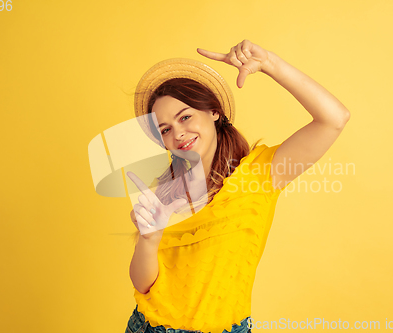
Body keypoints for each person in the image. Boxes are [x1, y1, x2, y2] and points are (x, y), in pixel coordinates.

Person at [125, 40, 350, 333]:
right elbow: (143, 284)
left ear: (214, 112)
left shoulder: (261, 174)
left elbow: (334, 119)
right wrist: (149, 239)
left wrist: (270, 64)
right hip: (147, 327)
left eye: (185, 116)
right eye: (165, 129)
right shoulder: (166, 192)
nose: (178, 132)